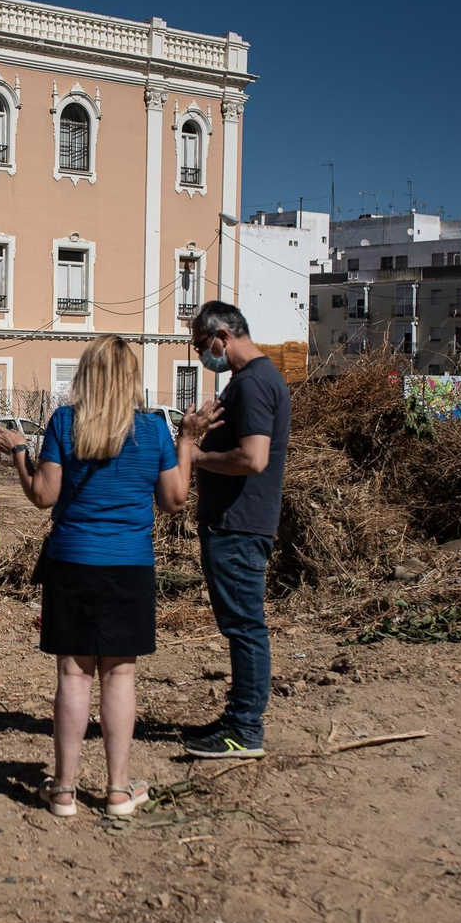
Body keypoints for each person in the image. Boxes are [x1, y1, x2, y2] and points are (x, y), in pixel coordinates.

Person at [0, 335, 191, 817]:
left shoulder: (64, 423)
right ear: (131, 380)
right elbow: (175, 499)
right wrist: (188, 439)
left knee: (73, 675)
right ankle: (118, 791)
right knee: (120, 674)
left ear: (86, 376)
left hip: (72, 563)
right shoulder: (153, 431)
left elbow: (43, 495)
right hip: (129, 566)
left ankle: (64, 790)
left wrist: (19, 452)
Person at [178, 301, 292, 759]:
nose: (204, 357)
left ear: (223, 336)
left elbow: (254, 458)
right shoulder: (250, 383)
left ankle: (245, 729)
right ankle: (238, 716)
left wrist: (198, 456)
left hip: (239, 526)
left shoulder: (253, 384)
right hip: (236, 523)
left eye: (203, 347)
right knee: (241, 625)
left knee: (245, 626)